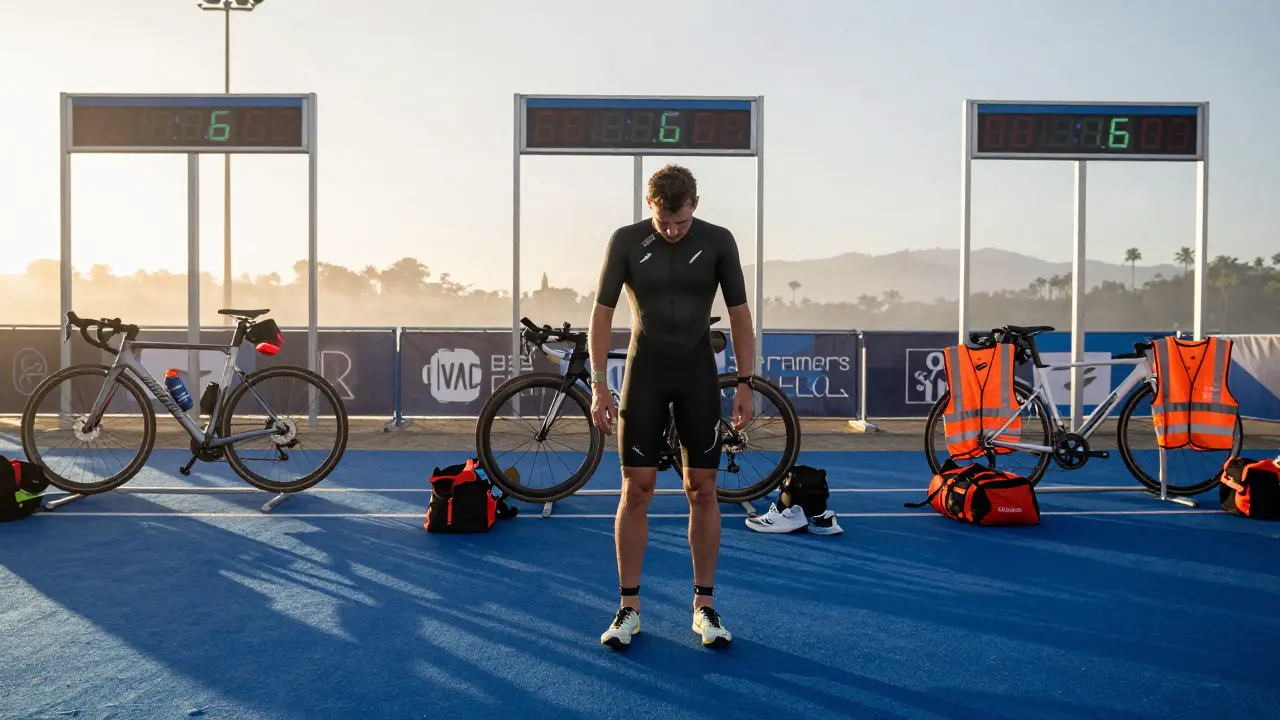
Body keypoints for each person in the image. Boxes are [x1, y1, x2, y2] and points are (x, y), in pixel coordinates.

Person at [587, 164, 755, 650]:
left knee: (701, 487)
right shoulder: (625, 241)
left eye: (680, 222)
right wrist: (599, 385)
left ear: (695, 206)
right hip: (646, 375)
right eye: (664, 221)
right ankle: (628, 608)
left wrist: (744, 382)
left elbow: (741, 316)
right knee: (636, 488)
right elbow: (601, 315)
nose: (673, 230)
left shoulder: (720, 241)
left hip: (698, 376)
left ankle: (704, 607)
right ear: (650, 206)